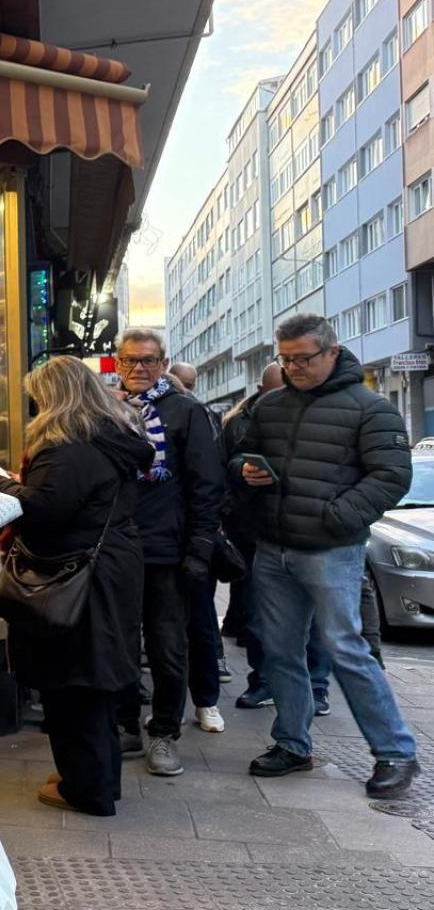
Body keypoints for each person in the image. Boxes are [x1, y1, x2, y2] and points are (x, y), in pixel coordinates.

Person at [234, 314, 420, 798]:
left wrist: (337, 516)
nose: (293, 367)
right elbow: (241, 454)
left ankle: (396, 753)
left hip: (332, 550)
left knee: (346, 650)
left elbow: (391, 476)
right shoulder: (270, 406)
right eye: (285, 359)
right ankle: (292, 744)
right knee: (279, 651)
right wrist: (246, 471)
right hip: (274, 547)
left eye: (303, 358)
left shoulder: (370, 408)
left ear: (332, 352)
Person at [0, 356, 153, 816]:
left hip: (76, 575)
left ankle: (87, 789)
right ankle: (97, 779)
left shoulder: (66, 446)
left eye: (38, 397)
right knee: (91, 681)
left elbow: (44, 511)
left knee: (71, 682)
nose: (35, 406)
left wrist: (4, 488)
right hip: (106, 567)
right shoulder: (107, 437)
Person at [111, 329, 225, 778]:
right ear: (117, 363)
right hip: (117, 547)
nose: (138, 368)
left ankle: (163, 732)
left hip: (167, 550)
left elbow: (206, 484)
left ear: (163, 364)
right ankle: (125, 724)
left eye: (148, 360)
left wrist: (199, 548)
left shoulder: (185, 411)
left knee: (167, 647)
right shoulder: (106, 408)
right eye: (130, 360)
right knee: (119, 643)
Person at [222, 363, 332, 713]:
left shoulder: (328, 414)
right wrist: (243, 471)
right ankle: (265, 681)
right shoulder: (243, 422)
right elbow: (228, 465)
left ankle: (317, 686)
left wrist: (341, 514)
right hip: (258, 533)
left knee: (315, 617)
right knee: (257, 615)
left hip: (314, 533)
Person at [170, 361, 230, 725]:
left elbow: (210, 485)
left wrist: (203, 540)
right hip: (164, 538)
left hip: (192, 538)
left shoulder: (198, 417)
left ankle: (206, 701)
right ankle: (189, 705)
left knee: (199, 622)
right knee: (175, 628)